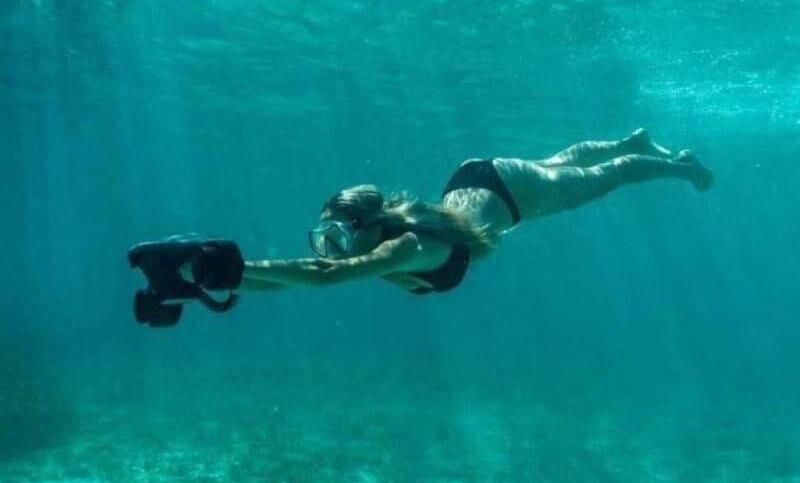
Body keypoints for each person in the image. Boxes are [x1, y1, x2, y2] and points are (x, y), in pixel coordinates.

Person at [241, 128, 713, 295]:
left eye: (336, 236)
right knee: (557, 164)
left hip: (509, 193)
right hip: (477, 181)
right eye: (325, 235)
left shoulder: (408, 245)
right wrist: (214, 279)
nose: (329, 248)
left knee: (602, 178)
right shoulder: (378, 243)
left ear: (368, 226)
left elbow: (320, 276)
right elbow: (287, 283)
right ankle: (629, 140)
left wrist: (232, 264)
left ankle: (678, 165)